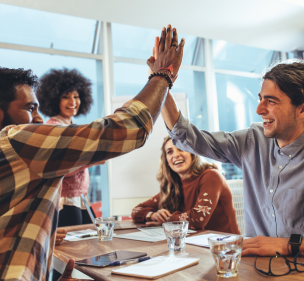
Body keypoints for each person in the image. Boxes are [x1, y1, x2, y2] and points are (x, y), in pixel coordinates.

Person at [0, 25, 184, 280]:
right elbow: (128, 128)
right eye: (30, 108)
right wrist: (163, 74)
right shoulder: (16, 140)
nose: (37, 118)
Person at [156, 56, 304, 257]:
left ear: (301, 108)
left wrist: (290, 245)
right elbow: (187, 137)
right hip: (253, 267)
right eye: (260, 99)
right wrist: (161, 80)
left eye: (271, 101)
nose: (259, 109)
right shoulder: (251, 140)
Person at [132, 136, 240, 234]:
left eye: (181, 148)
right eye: (169, 152)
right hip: (193, 246)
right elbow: (136, 210)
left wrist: (166, 220)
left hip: (225, 248)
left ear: (192, 153)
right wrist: (152, 215)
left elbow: (197, 220)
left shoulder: (211, 176)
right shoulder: (173, 186)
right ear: (167, 162)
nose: (176, 155)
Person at [36, 68, 99, 227]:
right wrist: (92, 160)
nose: (73, 102)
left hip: (81, 198)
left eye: (76, 96)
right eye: (66, 97)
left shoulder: (72, 126)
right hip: (65, 200)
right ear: (53, 100)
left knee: (88, 243)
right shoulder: (54, 128)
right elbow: (60, 167)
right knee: (73, 248)